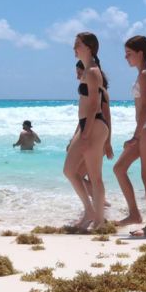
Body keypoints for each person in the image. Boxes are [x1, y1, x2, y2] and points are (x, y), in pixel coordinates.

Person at [112, 35, 146, 237]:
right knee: (119, 168)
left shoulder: (145, 74)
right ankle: (134, 214)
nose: (126, 58)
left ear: (140, 53)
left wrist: (135, 137)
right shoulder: (143, 74)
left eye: (129, 54)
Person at [63, 32, 111, 231]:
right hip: (86, 125)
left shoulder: (92, 71)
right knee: (69, 171)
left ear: (89, 47)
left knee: (94, 176)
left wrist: (84, 134)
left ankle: (98, 220)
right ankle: (91, 212)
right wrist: (79, 132)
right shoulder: (87, 71)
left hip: (93, 125)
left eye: (77, 44)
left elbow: (94, 106)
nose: (74, 47)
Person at [68, 60, 113, 208]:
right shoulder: (86, 92)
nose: (77, 77)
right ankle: (98, 204)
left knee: (86, 176)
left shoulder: (101, 92)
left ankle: (99, 204)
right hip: (85, 133)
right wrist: (74, 138)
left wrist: (108, 143)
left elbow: (106, 118)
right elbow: (82, 119)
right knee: (80, 175)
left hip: (96, 136)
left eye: (79, 73)